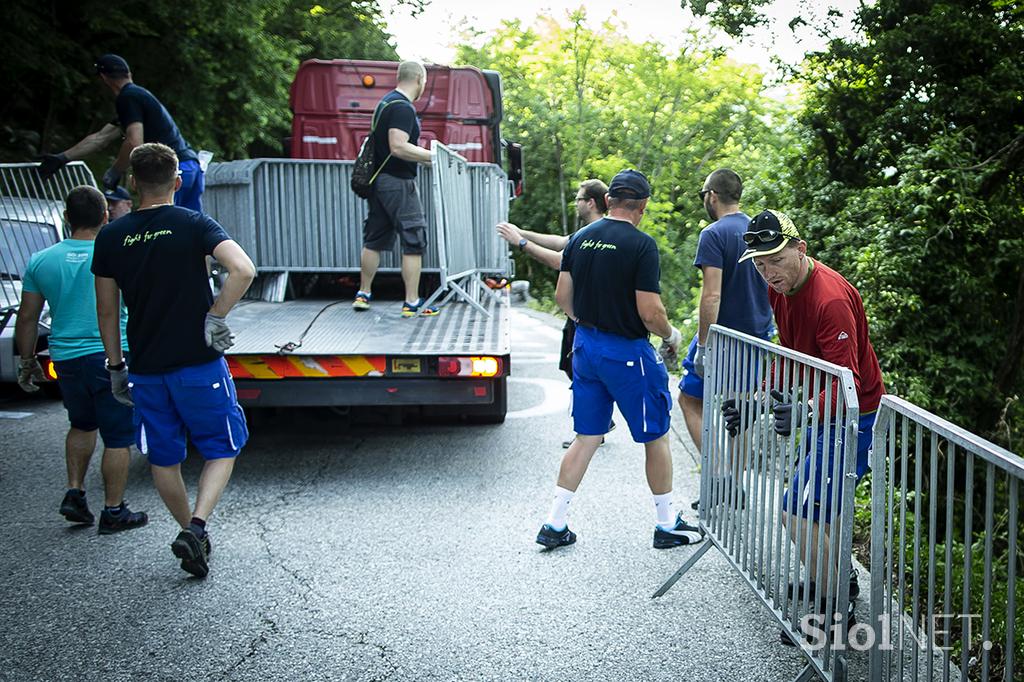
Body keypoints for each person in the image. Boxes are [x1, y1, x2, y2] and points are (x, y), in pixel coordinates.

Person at [92, 143, 256, 578]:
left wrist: (115, 366)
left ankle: (189, 531)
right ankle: (198, 527)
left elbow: (106, 311)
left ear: (132, 182)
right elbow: (243, 269)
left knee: (165, 459)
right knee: (223, 447)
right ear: (177, 182)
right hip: (198, 363)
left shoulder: (111, 236)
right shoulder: (193, 223)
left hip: (146, 368)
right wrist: (215, 316)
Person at [727, 209, 884, 643]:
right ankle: (834, 584)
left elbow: (847, 384)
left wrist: (804, 412)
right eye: (759, 264)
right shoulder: (780, 288)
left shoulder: (828, 299)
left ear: (801, 249)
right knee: (819, 513)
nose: (767, 272)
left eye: (775, 259)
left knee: (797, 513)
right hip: (824, 412)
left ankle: (836, 613)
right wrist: (754, 402)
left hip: (854, 417)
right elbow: (792, 353)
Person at [535, 169, 701, 551]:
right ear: (641, 206)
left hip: (585, 347)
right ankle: (666, 523)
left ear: (608, 201)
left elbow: (563, 296)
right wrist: (671, 334)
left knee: (588, 435)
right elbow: (650, 312)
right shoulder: (641, 246)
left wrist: (586, 324)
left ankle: (554, 522)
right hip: (627, 353)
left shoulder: (580, 239)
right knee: (655, 435)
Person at [14, 185, 148, 535]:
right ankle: (113, 510)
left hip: (66, 358)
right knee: (118, 437)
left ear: (65, 218)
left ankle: (75, 493)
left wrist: (27, 360)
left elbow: (28, 317)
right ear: (105, 216)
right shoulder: (115, 256)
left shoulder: (41, 261)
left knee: (81, 424)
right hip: (111, 355)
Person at [496, 179, 613, 448]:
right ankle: (598, 424)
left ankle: (592, 430)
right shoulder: (589, 231)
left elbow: (562, 260)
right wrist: (521, 232)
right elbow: (562, 242)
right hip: (579, 315)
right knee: (573, 368)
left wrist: (522, 242)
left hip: (582, 315)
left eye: (579, 199)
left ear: (591, 203)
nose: (576, 203)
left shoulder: (596, 233)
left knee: (581, 372)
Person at [37, 54, 205, 212]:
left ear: (104, 78)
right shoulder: (137, 97)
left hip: (173, 169)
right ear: (129, 73)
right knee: (192, 229)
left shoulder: (128, 97)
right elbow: (101, 138)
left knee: (164, 228)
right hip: (190, 166)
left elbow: (134, 142)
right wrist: (62, 158)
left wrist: (115, 171)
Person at [352, 60, 437, 318]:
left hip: (379, 182)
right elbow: (398, 146)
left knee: (375, 238)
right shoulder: (402, 108)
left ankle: (363, 293)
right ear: (419, 79)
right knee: (414, 239)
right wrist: (433, 157)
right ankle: (411, 302)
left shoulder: (385, 103)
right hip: (398, 182)